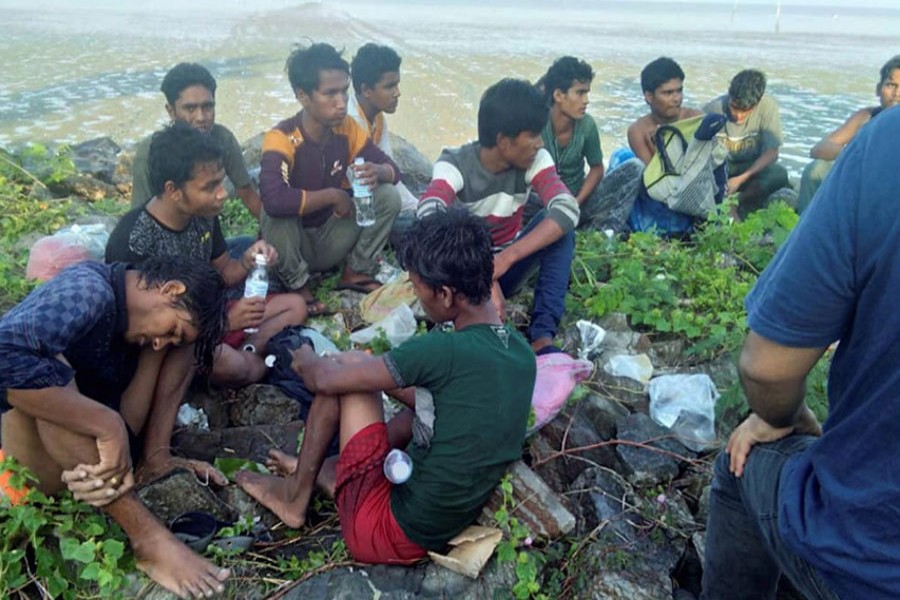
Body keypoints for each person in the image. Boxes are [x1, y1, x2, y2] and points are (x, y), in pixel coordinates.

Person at [235, 208, 535, 563]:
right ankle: (328, 470)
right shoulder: (518, 351)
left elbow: (321, 379)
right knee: (383, 382)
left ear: (446, 295)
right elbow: (446, 400)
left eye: (417, 288)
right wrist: (371, 370)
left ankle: (295, 497)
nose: (416, 297)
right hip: (439, 525)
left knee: (345, 373)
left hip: (384, 532)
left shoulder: (442, 349)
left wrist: (305, 357)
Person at [701, 108, 900, 600]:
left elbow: (766, 367)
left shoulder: (887, 145)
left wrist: (787, 416)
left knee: (742, 459)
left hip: (871, 562)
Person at [0, 255, 231, 599]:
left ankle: (155, 460)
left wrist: (121, 433)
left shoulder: (139, 323)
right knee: (48, 364)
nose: (158, 342)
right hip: (29, 468)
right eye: (169, 330)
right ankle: (146, 537)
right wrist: (106, 425)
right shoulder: (89, 290)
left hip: (104, 454)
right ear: (170, 289)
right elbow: (5, 354)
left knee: (184, 345)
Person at [107, 122, 307, 387]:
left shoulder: (202, 215)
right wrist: (223, 324)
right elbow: (143, 331)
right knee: (232, 366)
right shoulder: (134, 240)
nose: (223, 194)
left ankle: (246, 351)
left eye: (221, 182)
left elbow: (222, 273)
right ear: (172, 190)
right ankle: (256, 364)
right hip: (173, 340)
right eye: (210, 186)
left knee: (295, 306)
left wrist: (247, 261)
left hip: (210, 317)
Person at [418, 78, 579, 355]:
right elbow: (428, 212)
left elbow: (567, 208)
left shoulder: (535, 160)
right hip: (461, 272)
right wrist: (483, 274)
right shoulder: (454, 164)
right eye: (533, 135)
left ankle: (542, 336)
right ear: (504, 140)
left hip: (504, 265)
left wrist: (505, 259)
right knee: (436, 237)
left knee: (562, 231)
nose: (539, 143)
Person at [259, 42, 402, 316]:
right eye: (330, 93)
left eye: (345, 91)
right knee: (272, 210)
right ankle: (298, 285)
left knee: (387, 196)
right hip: (293, 244)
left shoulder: (348, 130)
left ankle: (357, 271)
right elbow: (274, 198)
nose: (341, 102)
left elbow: (393, 169)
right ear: (303, 95)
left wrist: (377, 171)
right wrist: (333, 196)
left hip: (331, 235)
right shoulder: (282, 137)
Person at [131, 62, 261, 219]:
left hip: (208, 235)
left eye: (207, 107)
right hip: (168, 234)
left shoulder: (223, 139)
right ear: (171, 111)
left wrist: (270, 235)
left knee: (246, 243)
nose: (201, 117)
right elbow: (139, 217)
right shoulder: (150, 152)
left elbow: (247, 193)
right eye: (190, 109)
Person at [533, 56, 639, 232]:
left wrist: (576, 201)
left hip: (578, 201)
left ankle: (603, 234)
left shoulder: (587, 125)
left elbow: (597, 168)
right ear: (558, 95)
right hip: (543, 203)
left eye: (587, 93)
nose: (586, 100)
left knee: (634, 168)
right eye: (580, 93)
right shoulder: (536, 124)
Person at [797, 55, 900, 212]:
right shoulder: (867, 116)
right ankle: (806, 231)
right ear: (878, 89)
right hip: (862, 179)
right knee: (816, 169)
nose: (897, 93)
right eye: (891, 85)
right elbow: (818, 148)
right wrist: (858, 155)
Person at [704, 69, 789, 217]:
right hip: (723, 166)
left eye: (745, 110)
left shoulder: (768, 107)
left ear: (758, 101)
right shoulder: (712, 109)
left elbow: (772, 153)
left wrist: (740, 179)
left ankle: (736, 201)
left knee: (778, 173)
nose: (738, 115)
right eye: (734, 107)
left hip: (751, 166)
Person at [348, 43, 419, 214]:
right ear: (366, 90)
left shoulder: (378, 120)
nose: (397, 93)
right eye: (389, 86)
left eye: (397, 84)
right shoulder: (351, 120)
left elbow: (390, 169)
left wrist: (418, 206)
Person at [627, 56, 703, 165]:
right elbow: (652, 178)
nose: (677, 99)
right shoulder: (639, 131)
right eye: (668, 93)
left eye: (679, 91)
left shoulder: (695, 120)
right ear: (649, 96)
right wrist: (658, 147)